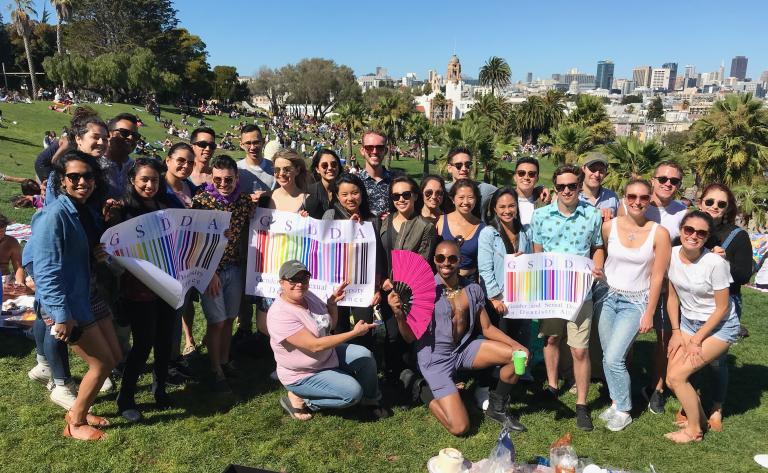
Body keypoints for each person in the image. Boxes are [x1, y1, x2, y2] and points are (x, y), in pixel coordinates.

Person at [387, 240, 529, 435]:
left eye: (452, 258)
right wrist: (399, 315)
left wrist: (517, 345)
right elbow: (410, 337)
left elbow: (486, 328)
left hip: (463, 350)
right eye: (440, 258)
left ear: (460, 261)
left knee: (516, 355)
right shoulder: (423, 292)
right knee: (460, 427)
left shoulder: (472, 289)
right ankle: (421, 389)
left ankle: (497, 409)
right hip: (435, 359)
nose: (446, 263)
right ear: (434, 260)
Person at [28, 150, 121, 440]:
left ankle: (79, 409)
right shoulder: (52, 216)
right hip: (67, 303)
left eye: (88, 175)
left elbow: (75, 253)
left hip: (87, 292)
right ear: (62, 181)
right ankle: (76, 423)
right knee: (102, 363)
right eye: (74, 176)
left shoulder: (84, 209)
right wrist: (60, 315)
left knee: (114, 356)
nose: (83, 181)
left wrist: (94, 253)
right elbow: (46, 271)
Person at [531, 164, 605, 431]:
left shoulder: (593, 215)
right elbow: (538, 252)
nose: (566, 191)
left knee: (579, 349)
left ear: (579, 185)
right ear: (554, 187)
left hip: (580, 291)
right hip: (551, 290)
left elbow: (597, 247)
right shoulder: (541, 216)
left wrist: (598, 265)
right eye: (561, 186)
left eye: (571, 186)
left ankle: (582, 404)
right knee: (551, 339)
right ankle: (552, 386)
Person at [268, 260, 390, 420]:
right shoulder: (280, 314)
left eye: (304, 279)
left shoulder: (308, 296)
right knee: (352, 393)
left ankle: (370, 400)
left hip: (326, 356)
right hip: (304, 373)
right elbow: (315, 346)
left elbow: (329, 323)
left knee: (365, 356)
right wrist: (354, 333)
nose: (299, 284)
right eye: (293, 279)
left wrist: (332, 303)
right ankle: (305, 399)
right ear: (281, 283)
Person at [597, 179, 671, 431]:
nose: (637, 202)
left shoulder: (658, 233)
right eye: (631, 197)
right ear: (623, 199)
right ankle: (616, 401)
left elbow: (658, 276)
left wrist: (649, 312)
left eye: (642, 198)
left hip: (635, 301)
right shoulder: (609, 227)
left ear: (650, 199)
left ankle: (625, 409)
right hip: (606, 297)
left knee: (614, 358)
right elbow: (604, 256)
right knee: (609, 356)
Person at [664, 211, 739, 443]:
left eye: (701, 233)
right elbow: (672, 296)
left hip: (719, 326)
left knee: (677, 377)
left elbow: (722, 308)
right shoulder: (672, 254)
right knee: (671, 379)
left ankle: (694, 431)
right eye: (689, 230)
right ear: (681, 230)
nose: (693, 236)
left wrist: (697, 339)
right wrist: (676, 332)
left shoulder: (715, 263)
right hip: (687, 322)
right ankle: (702, 419)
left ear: (707, 238)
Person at [111, 158, 176, 422]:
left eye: (155, 180)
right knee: (143, 343)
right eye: (144, 180)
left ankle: (159, 389)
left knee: (164, 339)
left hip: (167, 284)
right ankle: (126, 397)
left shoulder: (164, 206)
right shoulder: (122, 209)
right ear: (132, 180)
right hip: (138, 288)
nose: (150, 185)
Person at [688, 183, 753, 431]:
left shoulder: (737, 236)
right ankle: (690, 403)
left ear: (728, 208)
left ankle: (716, 407)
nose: (714, 207)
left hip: (722, 307)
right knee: (689, 353)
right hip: (692, 304)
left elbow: (744, 275)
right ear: (700, 202)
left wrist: (723, 262)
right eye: (709, 202)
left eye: (721, 204)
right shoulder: (691, 229)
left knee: (717, 361)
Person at [192, 155, 256, 393]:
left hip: (235, 267)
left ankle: (225, 360)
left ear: (236, 178)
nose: (222, 184)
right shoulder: (201, 202)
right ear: (211, 177)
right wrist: (208, 271)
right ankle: (215, 368)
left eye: (228, 179)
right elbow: (194, 242)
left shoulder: (243, 202)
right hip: (210, 271)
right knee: (216, 321)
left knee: (229, 318)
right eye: (217, 179)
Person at [638, 161, 688, 415]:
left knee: (663, 338)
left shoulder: (683, 213)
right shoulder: (638, 203)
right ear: (653, 179)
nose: (668, 184)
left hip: (667, 284)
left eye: (674, 181)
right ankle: (615, 383)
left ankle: (657, 387)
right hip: (633, 282)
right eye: (663, 179)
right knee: (624, 337)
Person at [378, 175, 437, 386]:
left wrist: (392, 282)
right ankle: (391, 374)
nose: (401, 199)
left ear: (415, 196)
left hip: (407, 292)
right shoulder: (384, 221)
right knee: (389, 333)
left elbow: (422, 262)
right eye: (396, 195)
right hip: (384, 287)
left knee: (403, 336)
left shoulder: (425, 226)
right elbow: (378, 254)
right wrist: (381, 280)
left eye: (406, 194)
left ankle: (405, 379)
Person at [322, 173, 384, 348]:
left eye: (355, 193)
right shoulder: (330, 216)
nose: (350, 198)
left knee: (364, 327)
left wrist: (377, 287)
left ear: (362, 194)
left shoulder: (373, 220)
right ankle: (340, 363)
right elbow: (322, 247)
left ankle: (365, 362)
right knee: (338, 328)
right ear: (337, 196)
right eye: (344, 194)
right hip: (336, 284)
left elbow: (378, 256)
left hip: (363, 287)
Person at [162, 143, 200, 383]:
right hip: (164, 261)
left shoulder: (191, 188)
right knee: (168, 315)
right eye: (180, 160)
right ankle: (166, 364)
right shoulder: (158, 188)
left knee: (179, 311)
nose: (185, 166)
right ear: (168, 160)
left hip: (186, 261)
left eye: (190, 162)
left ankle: (174, 360)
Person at [436, 179, 485, 281]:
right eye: (461, 197)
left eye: (470, 197)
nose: (466, 202)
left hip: (469, 282)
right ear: (453, 199)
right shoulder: (440, 221)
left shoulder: (483, 228)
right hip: (442, 282)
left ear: (476, 199)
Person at [101, 113, 140, 200]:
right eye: (124, 132)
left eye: (135, 135)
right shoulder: (94, 165)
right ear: (109, 134)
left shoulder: (136, 168)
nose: (130, 138)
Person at [357, 130, 394, 217]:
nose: (374, 151)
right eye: (369, 147)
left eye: (379, 147)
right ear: (362, 151)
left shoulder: (395, 181)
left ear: (385, 151)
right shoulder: (354, 181)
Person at [579, 152, 619, 221]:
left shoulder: (612, 198)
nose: (597, 174)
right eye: (593, 169)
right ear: (583, 169)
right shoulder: (572, 196)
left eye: (601, 171)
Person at [237, 124, 274, 196]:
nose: (252, 147)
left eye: (256, 142)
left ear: (263, 142)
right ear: (241, 144)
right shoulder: (236, 169)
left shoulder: (275, 168)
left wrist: (267, 194)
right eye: (248, 143)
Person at [513, 156, 551, 226]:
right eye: (521, 173)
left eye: (531, 174)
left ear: (537, 178)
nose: (526, 177)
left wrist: (542, 188)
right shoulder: (503, 199)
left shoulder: (544, 202)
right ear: (515, 177)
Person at [306, 149, 342, 219]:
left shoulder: (345, 192)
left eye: (334, 164)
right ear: (317, 169)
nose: (330, 168)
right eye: (324, 165)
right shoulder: (309, 191)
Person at [0, 213, 26, 285]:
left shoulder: (11, 242)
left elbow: (18, 267)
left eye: (3, 231)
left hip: (5, 278)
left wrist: (20, 282)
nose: (1, 235)